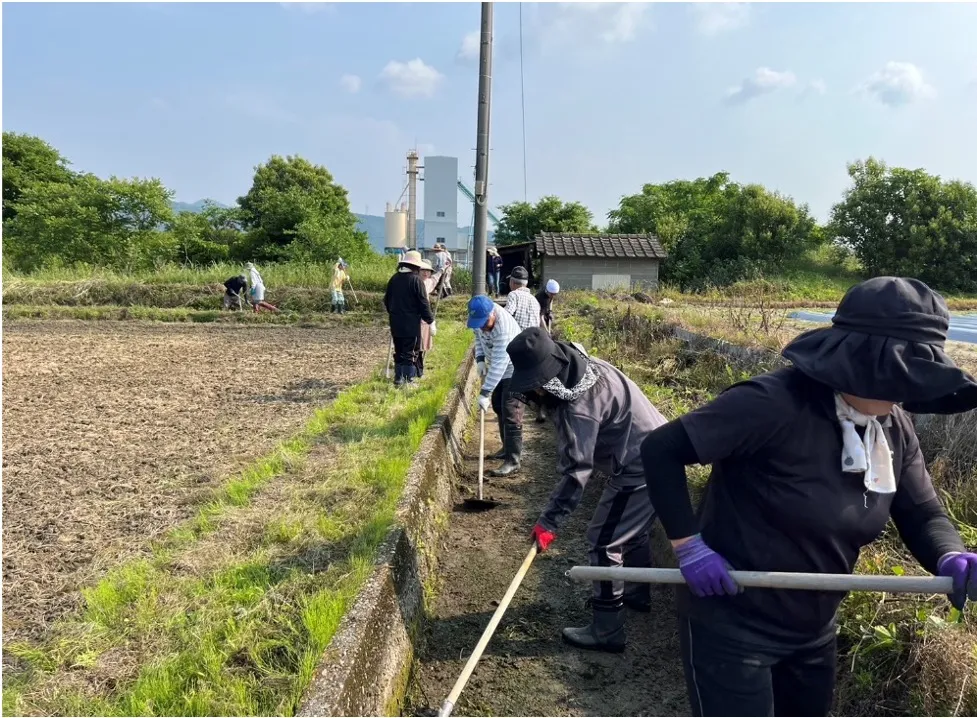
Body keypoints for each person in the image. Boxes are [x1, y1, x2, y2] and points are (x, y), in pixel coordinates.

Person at [638, 277, 977, 717]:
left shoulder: (891, 429)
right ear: (858, 360)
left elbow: (922, 512)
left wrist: (950, 556)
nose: (904, 391)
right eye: (898, 373)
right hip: (732, 623)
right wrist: (688, 547)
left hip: (814, 630)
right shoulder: (773, 404)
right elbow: (661, 449)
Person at [507, 327, 668, 652]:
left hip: (642, 462)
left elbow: (576, 473)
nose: (533, 394)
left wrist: (548, 523)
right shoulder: (581, 365)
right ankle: (634, 593)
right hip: (659, 446)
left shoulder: (577, 407)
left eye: (534, 388)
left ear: (545, 380)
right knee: (631, 533)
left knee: (603, 540)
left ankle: (608, 628)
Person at [467, 294, 523, 476]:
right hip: (500, 366)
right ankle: (506, 448)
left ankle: (513, 460)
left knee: (510, 409)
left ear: (492, 313)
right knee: (499, 405)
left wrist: (484, 392)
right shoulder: (479, 321)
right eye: (479, 323)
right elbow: (478, 338)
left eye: (484, 322)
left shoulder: (503, 328)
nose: (482, 327)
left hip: (515, 368)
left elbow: (500, 364)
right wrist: (480, 358)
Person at [383, 250, 435, 387]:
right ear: (415, 266)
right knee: (411, 351)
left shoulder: (394, 279)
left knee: (399, 350)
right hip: (411, 323)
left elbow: (386, 301)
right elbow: (423, 303)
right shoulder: (416, 280)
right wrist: (431, 321)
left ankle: (398, 378)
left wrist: (394, 313)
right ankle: (408, 379)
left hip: (395, 322)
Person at [416, 259, 439, 378]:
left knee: (421, 345)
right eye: (423, 270)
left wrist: (442, 270)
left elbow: (435, 279)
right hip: (414, 317)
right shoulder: (415, 282)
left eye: (428, 271)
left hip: (425, 318)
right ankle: (417, 371)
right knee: (416, 345)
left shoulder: (429, 282)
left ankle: (418, 370)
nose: (425, 273)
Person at [504, 266, 541, 331]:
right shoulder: (534, 300)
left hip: (518, 338)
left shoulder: (514, 295)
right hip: (533, 339)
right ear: (526, 283)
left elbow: (505, 315)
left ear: (512, 282)